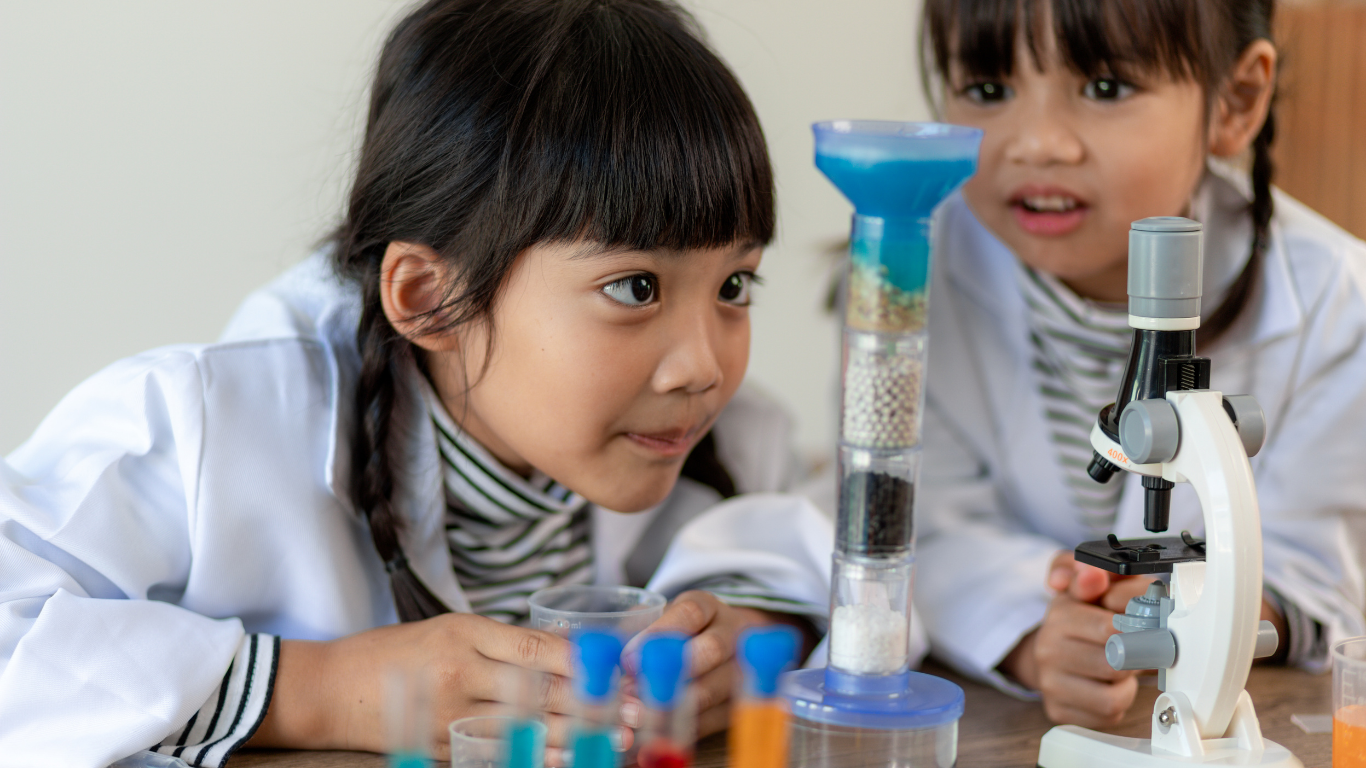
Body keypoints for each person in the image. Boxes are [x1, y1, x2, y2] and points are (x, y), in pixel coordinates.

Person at [0, 2, 833, 766]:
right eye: (635, 288)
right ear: (429, 299)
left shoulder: (723, 430)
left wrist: (759, 633)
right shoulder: (203, 424)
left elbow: (827, 552)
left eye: (734, 286)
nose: (705, 365)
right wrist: (315, 692)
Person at [912, 0, 1366, 727]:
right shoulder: (916, 270)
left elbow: (1312, 573)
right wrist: (1037, 631)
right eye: (990, 89)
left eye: (1105, 87)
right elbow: (920, 524)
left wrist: (1204, 605)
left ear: (1235, 101)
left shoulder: (1341, 308)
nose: (1037, 144)